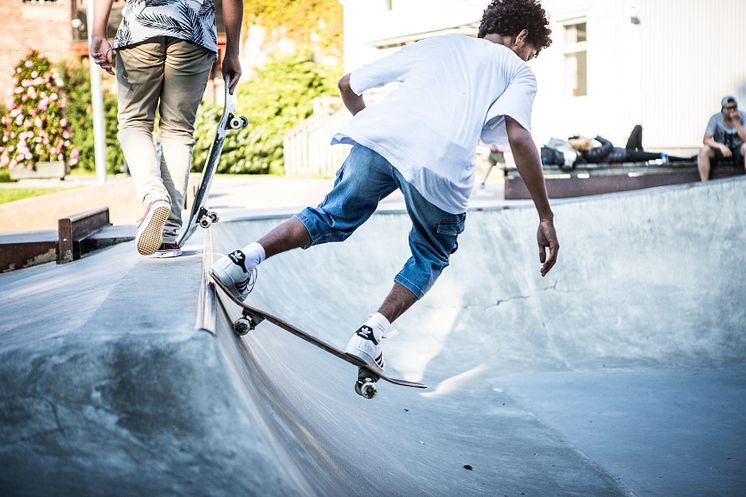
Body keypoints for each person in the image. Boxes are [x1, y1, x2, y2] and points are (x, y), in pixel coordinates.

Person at [212, 0, 559, 369]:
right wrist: (545, 216)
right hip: (441, 165)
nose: (527, 61)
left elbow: (347, 84)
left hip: (379, 136)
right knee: (432, 251)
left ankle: (241, 260)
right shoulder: (518, 73)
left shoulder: (438, 44)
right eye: (531, 53)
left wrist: (381, 141)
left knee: (329, 216)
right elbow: (519, 139)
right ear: (522, 37)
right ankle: (370, 334)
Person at [89, 0, 243, 257]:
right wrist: (234, 52)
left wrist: (98, 33)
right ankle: (168, 234)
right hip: (193, 29)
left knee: (135, 121)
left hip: (141, 25)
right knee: (178, 131)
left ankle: (153, 195)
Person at [697, 96, 746, 181]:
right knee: (704, 150)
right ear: (723, 109)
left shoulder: (743, 116)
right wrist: (720, 146)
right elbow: (706, 139)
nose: (732, 110)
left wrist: (737, 123)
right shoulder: (716, 118)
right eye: (729, 108)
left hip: (738, 149)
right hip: (721, 150)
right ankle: (704, 184)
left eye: (734, 107)